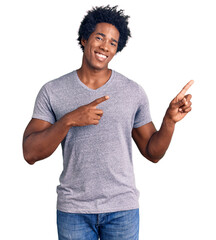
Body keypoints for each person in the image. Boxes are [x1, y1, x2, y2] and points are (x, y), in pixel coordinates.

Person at [22, 5, 193, 240]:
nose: (105, 46)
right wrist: (70, 120)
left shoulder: (133, 92)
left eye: (113, 43)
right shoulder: (52, 91)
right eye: (99, 37)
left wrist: (169, 121)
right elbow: (30, 153)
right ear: (84, 39)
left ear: (117, 50)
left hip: (122, 209)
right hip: (74, 210)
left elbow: (153, 153)